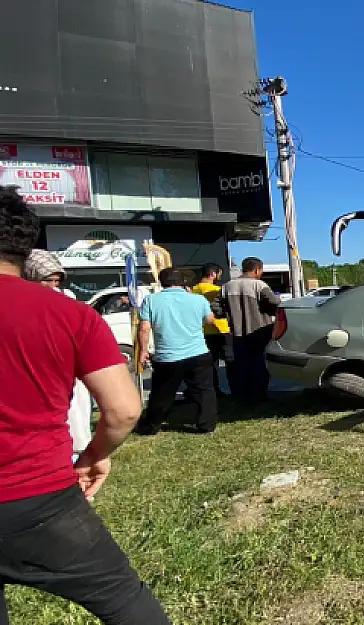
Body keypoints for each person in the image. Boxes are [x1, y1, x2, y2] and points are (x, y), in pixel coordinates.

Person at [0, 186, 171, 623]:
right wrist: (93, 456)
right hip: (39, 497)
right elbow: (125, 409)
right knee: (123, 599)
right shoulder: (70, 315)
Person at [21, 249, 94, 463]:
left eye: (56, 280)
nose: (53, 285)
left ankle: (76, 454)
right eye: (47, 280)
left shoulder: (67, 298)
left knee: (75, 412)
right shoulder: (23, 301)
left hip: (66, 364)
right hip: (37, 366)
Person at [135, 267, 218, 435]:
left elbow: (144, 328)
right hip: (198, 352)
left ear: (161, 282)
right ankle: (206, 425)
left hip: (168, 355)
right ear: (183, 283)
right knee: (204, 390)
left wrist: (144, 350)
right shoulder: (198, 300)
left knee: (161, 393)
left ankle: (151, 426)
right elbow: (209, 319)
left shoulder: (151, 300)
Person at [221, 257, 281, 401]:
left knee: (240, 366)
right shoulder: (259, 285)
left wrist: (228, 314)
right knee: (259, 365)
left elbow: (216, 306)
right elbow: (276, 303)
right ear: (257, 270)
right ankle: (259, 396)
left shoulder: (227, 286)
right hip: (259, 331)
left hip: (236, 332)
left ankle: (241, 396)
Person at [192, 262, 234, 398]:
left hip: (203, 331)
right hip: (221, 329)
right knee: (230, 361)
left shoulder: (193, 290)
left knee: (211, 364)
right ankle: (235, 389)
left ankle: (214, 390)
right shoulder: (216, 290)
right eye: (219, 274)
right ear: (212, 274)